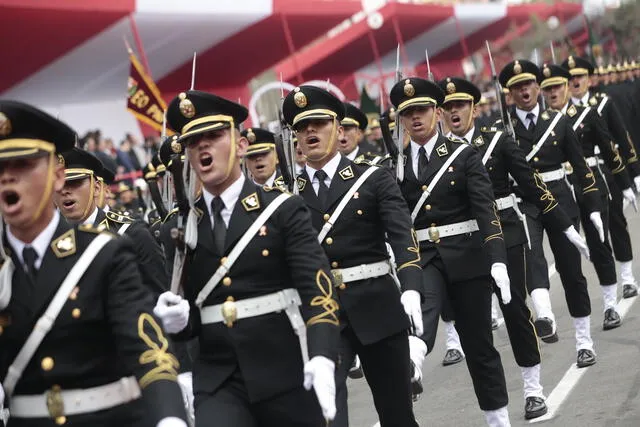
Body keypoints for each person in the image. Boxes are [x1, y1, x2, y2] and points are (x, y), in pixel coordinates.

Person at [156, 90, 341, 426]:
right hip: (218, 380)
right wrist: (180, 324)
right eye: (194, 140)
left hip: (285, 367)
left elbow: (317, 289)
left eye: (214, 135)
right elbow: (196, 314)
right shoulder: (182, 228)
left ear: (240, 145)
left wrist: (323, 354)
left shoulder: (281, 210)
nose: (203, 146)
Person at [0, 101, 187, 426]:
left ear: (56, 176)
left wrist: (169, 415)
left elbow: (146, 347)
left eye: (22, 164)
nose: (7, 179)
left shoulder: (104, 254)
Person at [437, 77, 590, 420]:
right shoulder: (436, 155)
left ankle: (533, 390)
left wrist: (564, 223)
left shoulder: (497, 141)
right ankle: (496, 411)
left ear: (474, 109)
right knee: (475, 329)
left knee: (515, 312)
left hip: (506, 232)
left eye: (460, 105)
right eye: (447, 107)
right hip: (464, 245)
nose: (454, 111)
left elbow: (532, 184)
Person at [284, 85, 423, 427]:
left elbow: (402, 234)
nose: (310, 132)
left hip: (377, 305)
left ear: (339, 128)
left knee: (398, 416)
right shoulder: (284, 198)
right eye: (302, 127)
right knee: (329, 417)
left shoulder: (373, 179)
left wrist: (411, 286)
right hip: (322, 318)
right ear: (294, 139)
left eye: (318, 123)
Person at [391, 77, 511, 426]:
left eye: (422, 110)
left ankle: (497, 419)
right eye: (408, 113)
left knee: (479, 347)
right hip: (424, 257)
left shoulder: (464, 155)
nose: (415, 118)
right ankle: (413, 358)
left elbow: (485, 211)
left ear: (438, 112)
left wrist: (498, 260)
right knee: (421, 306)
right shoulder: (394, 166)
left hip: (467, 258)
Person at [498, 60, 601, 367]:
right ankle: (544, 315)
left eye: (528, 85)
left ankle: (584, 341)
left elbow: (581, 168)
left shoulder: (558, 121)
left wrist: (593, 206)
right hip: (523, 202)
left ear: (537, 87)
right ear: (510, 95)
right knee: (532, 259)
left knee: (571, 271)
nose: (524, 91)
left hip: (560, 198)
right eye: (517, 88)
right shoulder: (504, 131)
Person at [539, 63, 636, 329]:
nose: (553, 92)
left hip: (591, 183)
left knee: (600, 242)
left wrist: (626, 181)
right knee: (569, 255)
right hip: (560, 190)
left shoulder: (587, 114)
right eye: (548, 89)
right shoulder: (542, 125)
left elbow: (609, 149)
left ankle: (610, 305)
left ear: (568, 87)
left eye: (558, 86)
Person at [563, 56, 640, 298]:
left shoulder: (603, 103)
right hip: (577, 177)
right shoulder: (561, 114)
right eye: (571, 78)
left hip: (607, 169)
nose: (576, 81)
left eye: (580, 77)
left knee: (616, 222)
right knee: (595, 234)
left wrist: (634, 172)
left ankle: (627, 277)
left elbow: (622, 137)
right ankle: (609, 287)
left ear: (589, 79)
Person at [54, 147, 168, 297]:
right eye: (59, 185)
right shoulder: (50, 239)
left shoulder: (131, 232)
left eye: (74, 183)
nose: (65, 191)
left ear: (96, 189)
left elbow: (158, 295)